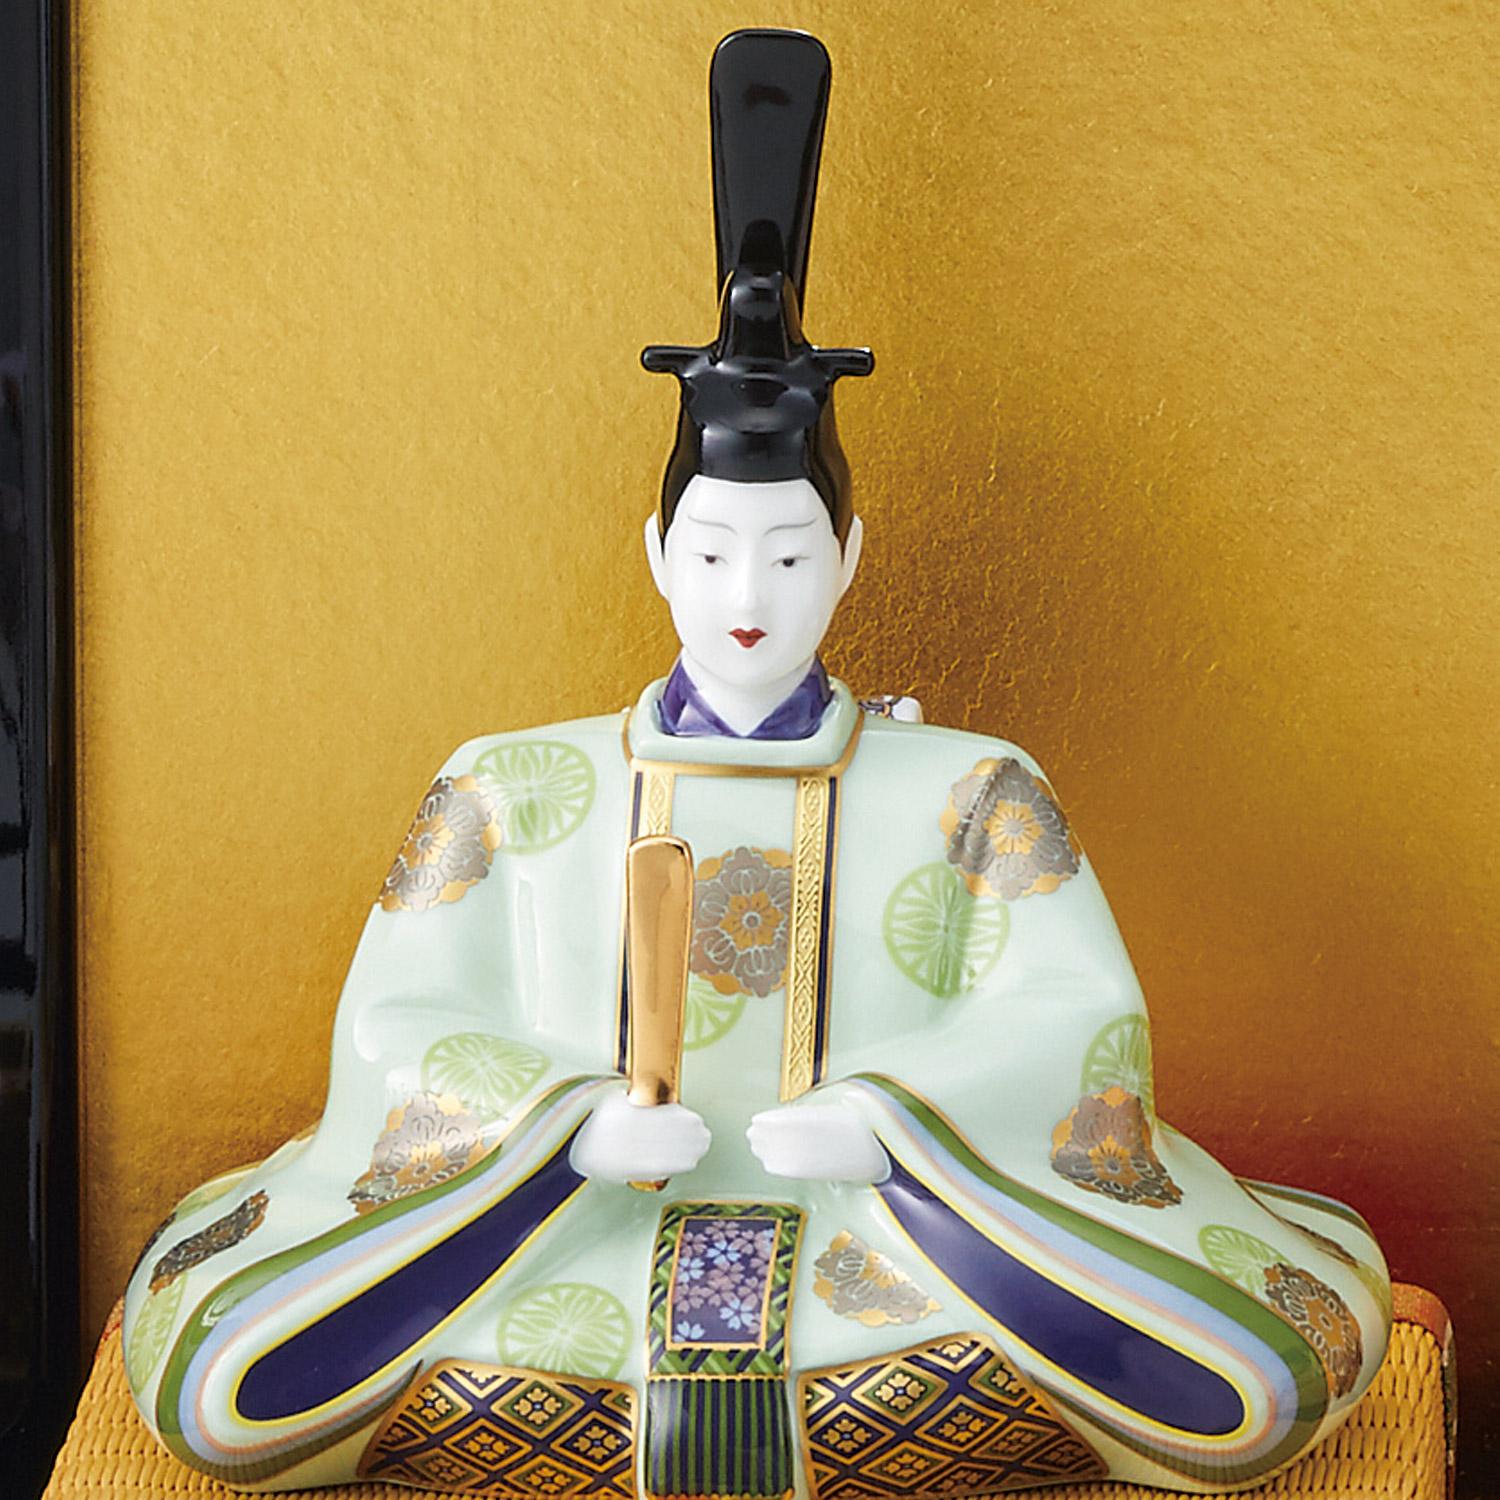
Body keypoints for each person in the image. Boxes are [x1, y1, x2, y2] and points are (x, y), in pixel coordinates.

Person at [121, 28, 1389, 1498]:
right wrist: (562, 1129)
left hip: (894, 1238)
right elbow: (400, 1025)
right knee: (226, 1390)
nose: (748, 595)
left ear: (847, 558)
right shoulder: (511, 785)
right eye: (714, 550)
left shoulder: (972, 790)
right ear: (656, 552)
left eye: (789, 555)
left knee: (1245, 1385)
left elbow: (1076, 1027)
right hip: (560, 1232)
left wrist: (892, 1123)